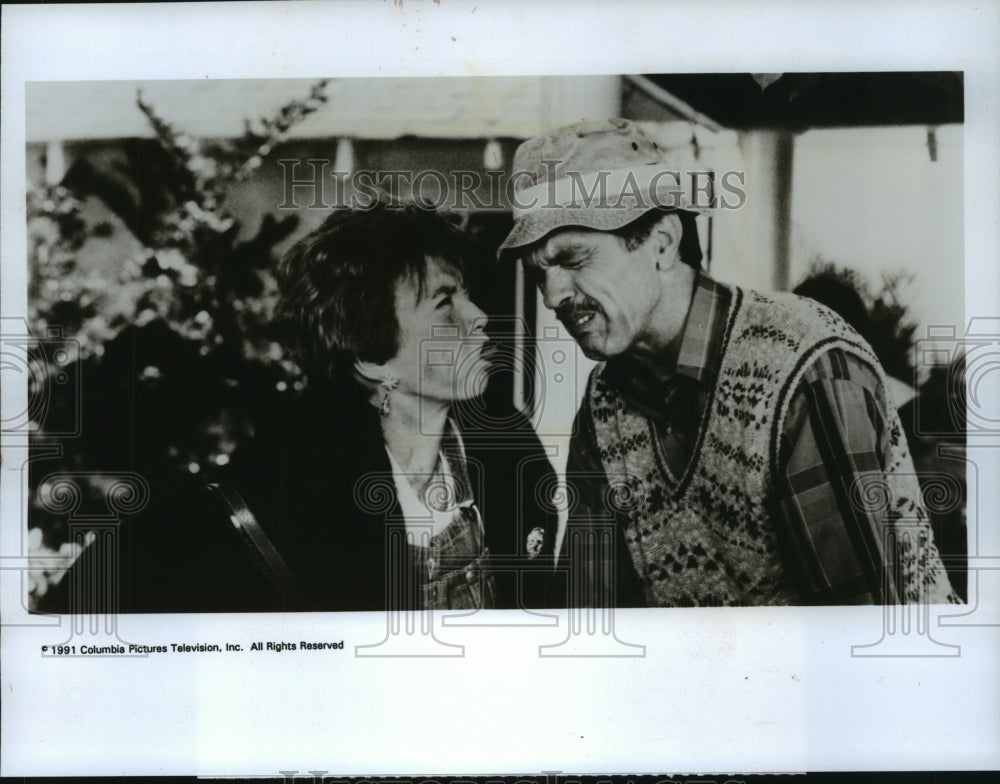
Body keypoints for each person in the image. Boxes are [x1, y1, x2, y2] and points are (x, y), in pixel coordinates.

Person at [498, 118, 959, 607]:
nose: (551, 295)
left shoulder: (807, 368)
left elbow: (854, 641)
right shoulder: (603, 403)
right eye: (538, 270)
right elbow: (589, 618)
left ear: (661, 241)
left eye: (572, 259)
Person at [210, 201, 560, 612]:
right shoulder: (291, 494)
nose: (479, 316)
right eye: (444, 303)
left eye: (466, 294)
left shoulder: (509, 444)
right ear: (371, 357)